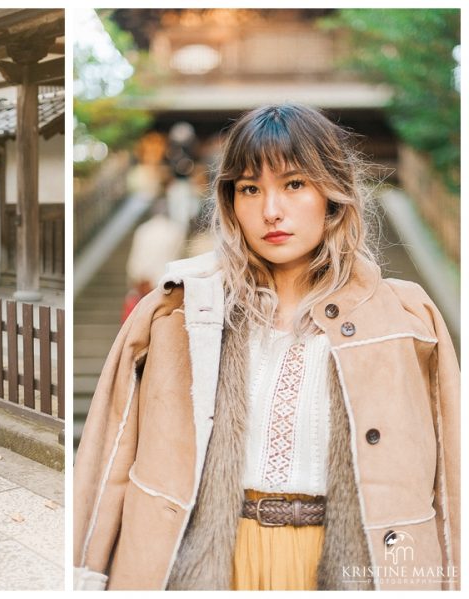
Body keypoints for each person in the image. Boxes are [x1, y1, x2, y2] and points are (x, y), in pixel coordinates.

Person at [73, 104, 460, 591]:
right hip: (210, 560)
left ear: (332, 194)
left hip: (353, 566)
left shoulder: (406, 321)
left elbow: (452, 483)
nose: (270, 210)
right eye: (249, 188)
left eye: (294, 184)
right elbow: (108, 462)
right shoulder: (177, 314)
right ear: (230, 200)